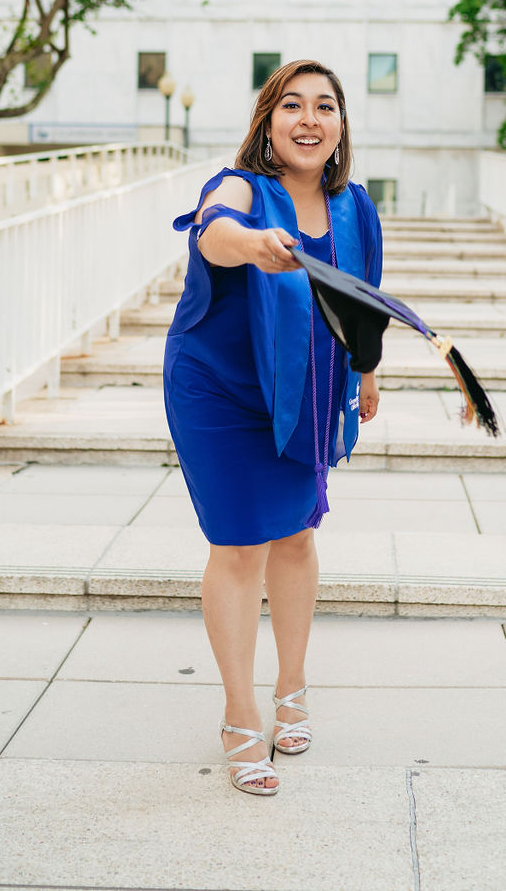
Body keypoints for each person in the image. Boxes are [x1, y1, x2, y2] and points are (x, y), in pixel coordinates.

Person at [163, 58, 383, 796]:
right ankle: (238, 712)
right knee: (239, 546)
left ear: (342, 125)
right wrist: (253, 242)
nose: (309, 119)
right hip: (219, 391)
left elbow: (361, 301)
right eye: (292, 105)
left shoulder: (355, 209)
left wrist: (366, 372)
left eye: (326, 106)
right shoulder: (241, 190)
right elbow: (211, 231)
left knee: (295, 535)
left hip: (307, 387)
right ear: (268, 120)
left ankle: (293, 686)